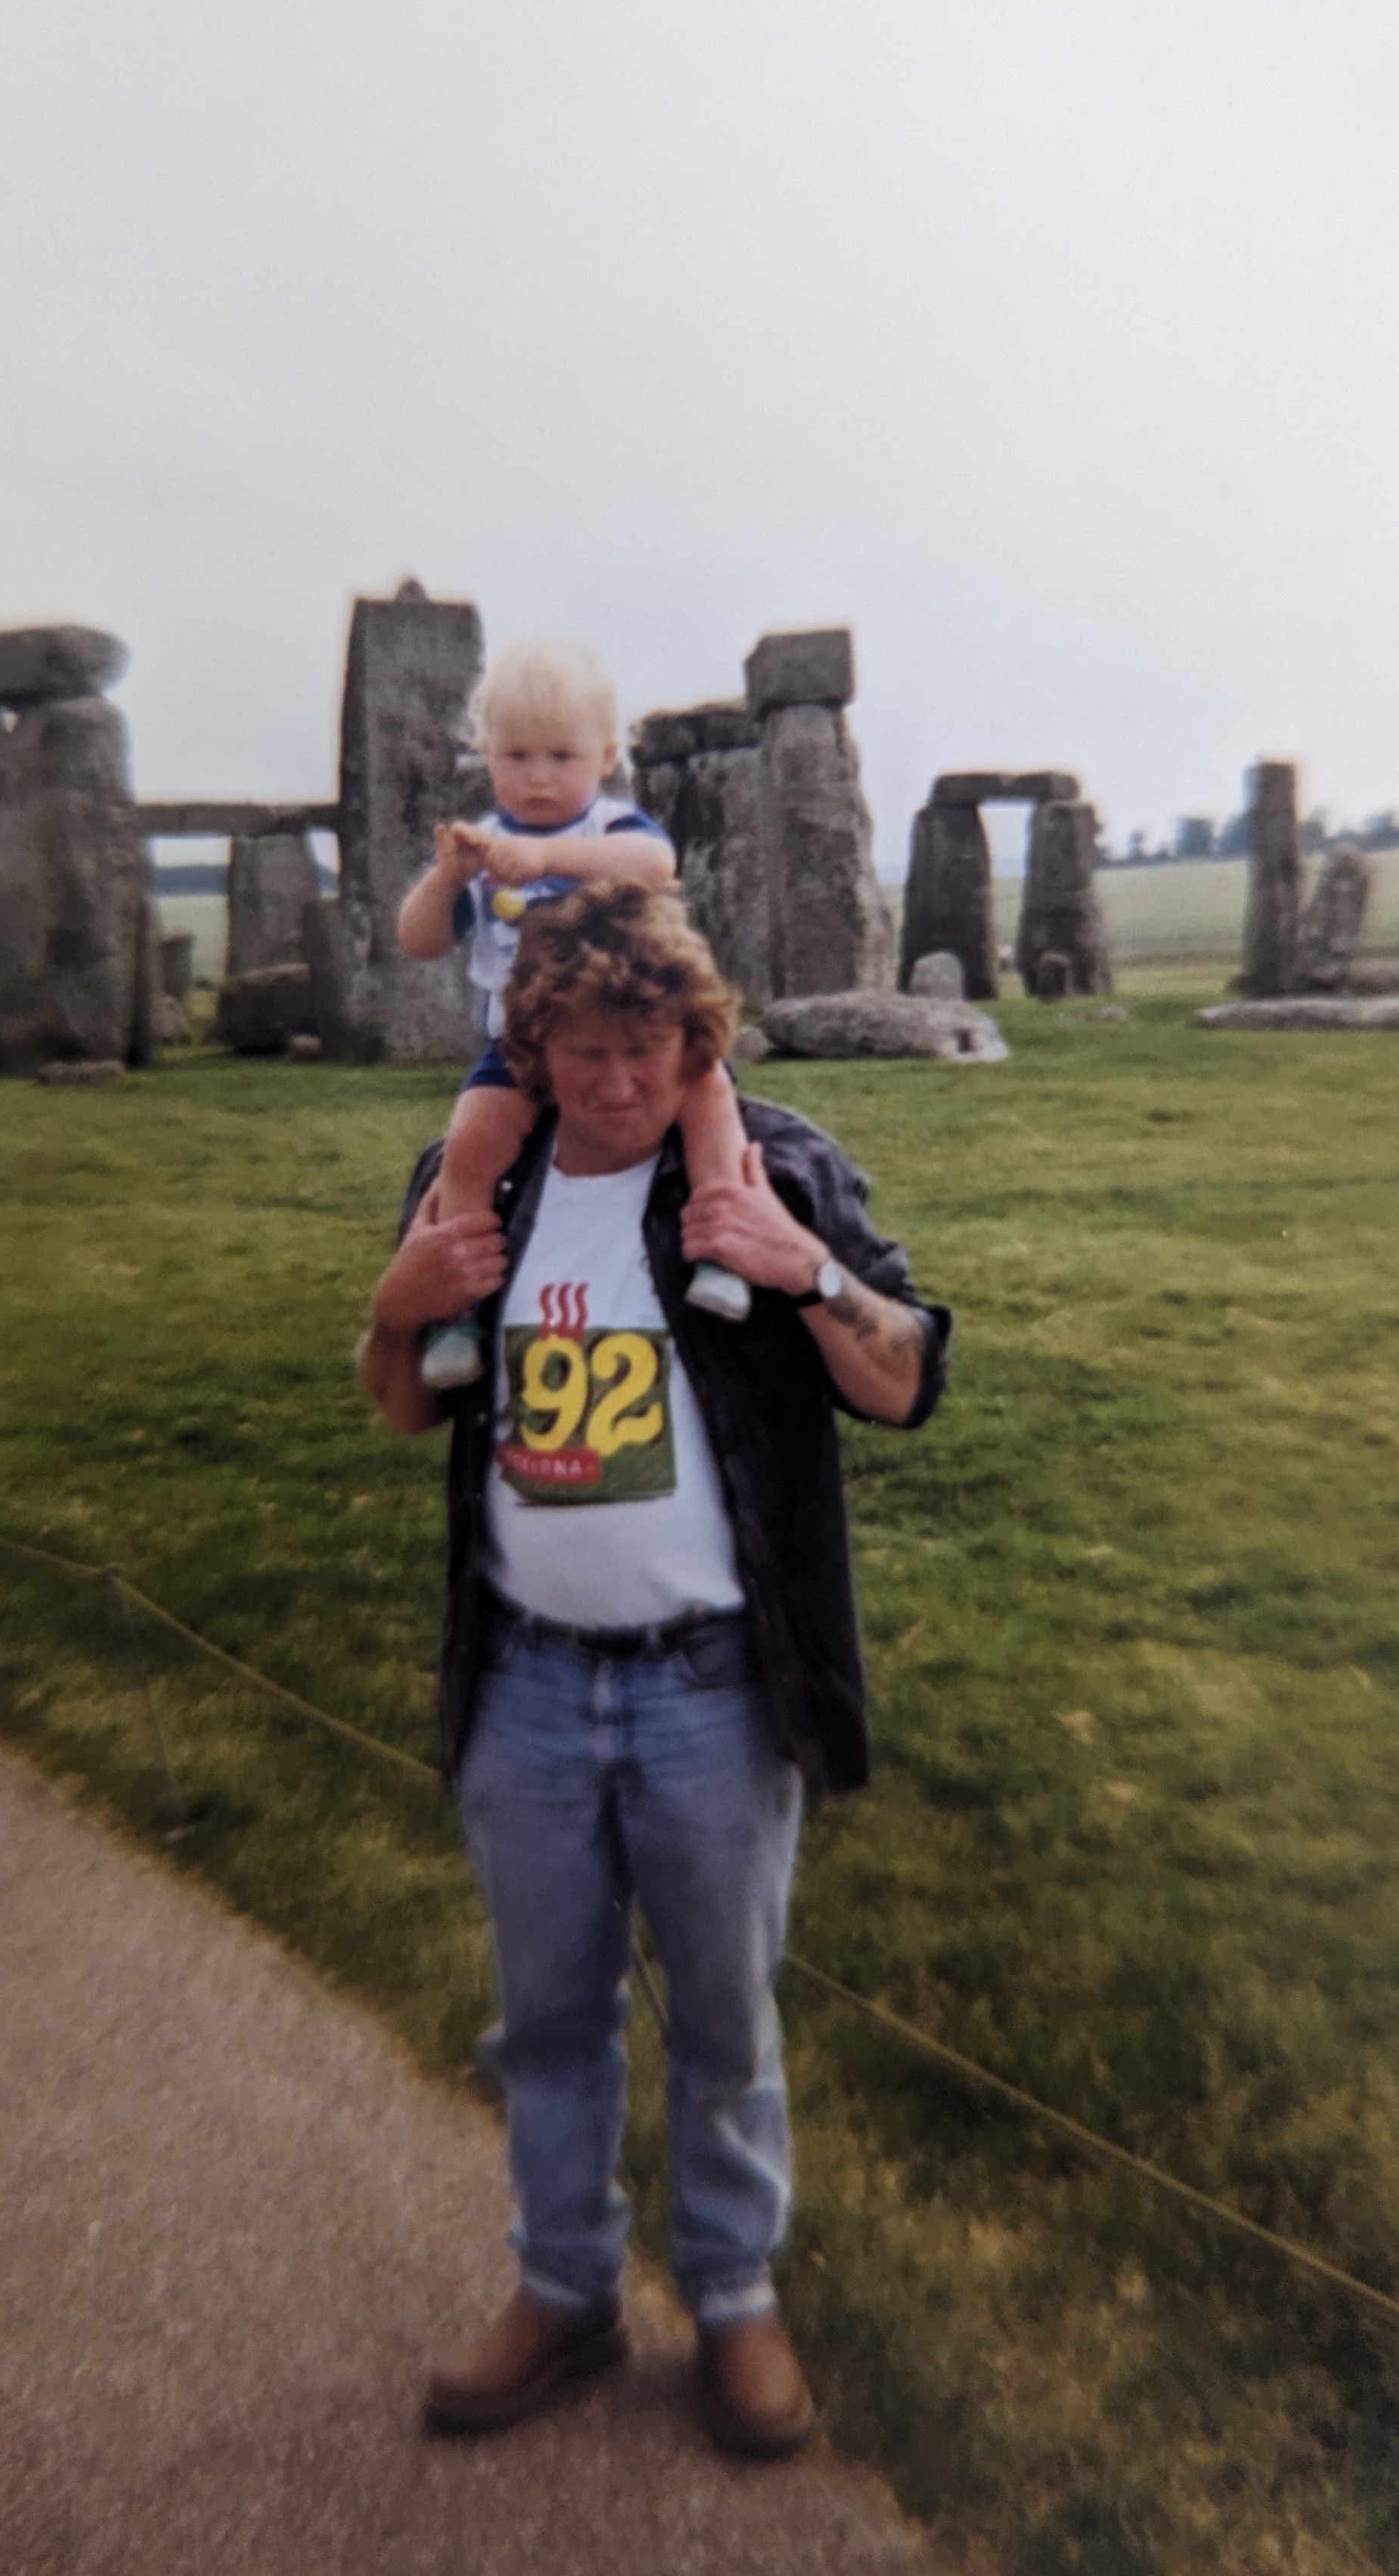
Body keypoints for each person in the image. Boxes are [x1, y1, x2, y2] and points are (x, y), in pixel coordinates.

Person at [358, 885, 950, 2459]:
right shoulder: (479, 1178)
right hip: (529, 1683)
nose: (615, 1080)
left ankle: (734, 2289)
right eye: (582, 1047)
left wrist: (807, 1269)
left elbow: (907, 1385)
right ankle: (564, 2284)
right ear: (533, 1046)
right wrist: (390, 1312)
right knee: (547, 2015)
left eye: (648, 1047)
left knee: (724, 2014)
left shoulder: (774, 1167)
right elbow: (411, 1406)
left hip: (713, 1686)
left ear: (699, 1045)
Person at [395, 637, 751, 1389]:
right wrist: (448, 879)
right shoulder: (481, 847)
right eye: (516, 755)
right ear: (486, 754)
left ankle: (726, 1243)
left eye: (561, 756)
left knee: (711, 1095)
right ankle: (456, 1311)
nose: (537, 776)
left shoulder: (607, 832)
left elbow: (657, 866)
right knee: (470, 1144)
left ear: (605, 756)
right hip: (520, 1047)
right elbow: (419, 940)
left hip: (631, 1033)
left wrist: (548, 859)